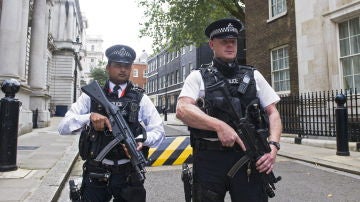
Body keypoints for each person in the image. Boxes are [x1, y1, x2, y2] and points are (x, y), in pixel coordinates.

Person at [176, 18, 282, 202]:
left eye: (233, 41)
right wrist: (219, 126)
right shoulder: (198, 76)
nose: (230, 45)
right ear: (212, 44)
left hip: (248, 158)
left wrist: (273, 146)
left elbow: (273, 113)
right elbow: (182, 109)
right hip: (210, 159)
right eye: (224, 41)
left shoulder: (253, 75)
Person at [58, 44, 165, 201]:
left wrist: (142, 140)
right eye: (118, 65)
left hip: (128, 174)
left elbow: (159, 132)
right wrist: (88, 117)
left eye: (127, 66)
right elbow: (63, 127)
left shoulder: (140, 98)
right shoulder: (91, 96)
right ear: (108, 67)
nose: (123, 69)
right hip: (96, 172)